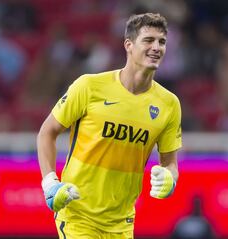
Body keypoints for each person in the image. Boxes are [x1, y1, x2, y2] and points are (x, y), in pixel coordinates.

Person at [37, 13, 182, 239]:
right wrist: (49, 182)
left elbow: (170, 162)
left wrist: (170, 178)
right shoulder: (89, 86)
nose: (157, 47)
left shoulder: (169, 104)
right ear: (129, 45)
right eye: (149, 40)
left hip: (122, 222)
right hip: (78, 215)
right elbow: (47, 132)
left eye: (161, 42)